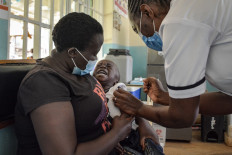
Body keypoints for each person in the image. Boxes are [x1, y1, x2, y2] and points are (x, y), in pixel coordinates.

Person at [15, 12, 133, 155]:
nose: (95, 59)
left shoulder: (77, 70)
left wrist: (139, 124)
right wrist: (116, 134)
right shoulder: (44, 83)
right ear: (72, 52)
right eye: (93, 54)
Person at [113, 0, 232, 128]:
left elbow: (182, 117)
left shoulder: (178, 21)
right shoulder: (195, 10)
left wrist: (139, 108)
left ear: (147, 12)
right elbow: (229, 100)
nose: (144, 37)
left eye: (139, 29)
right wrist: (166, 97)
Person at [93, 59, 164, 154]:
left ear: (116, 80)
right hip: (110, 139)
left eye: (108, 66)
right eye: (99, 65)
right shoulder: (90, 94)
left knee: (149, 146)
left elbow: (134, 111)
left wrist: (142, 123)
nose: (102, 66)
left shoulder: (117, 90)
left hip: (130, 135)